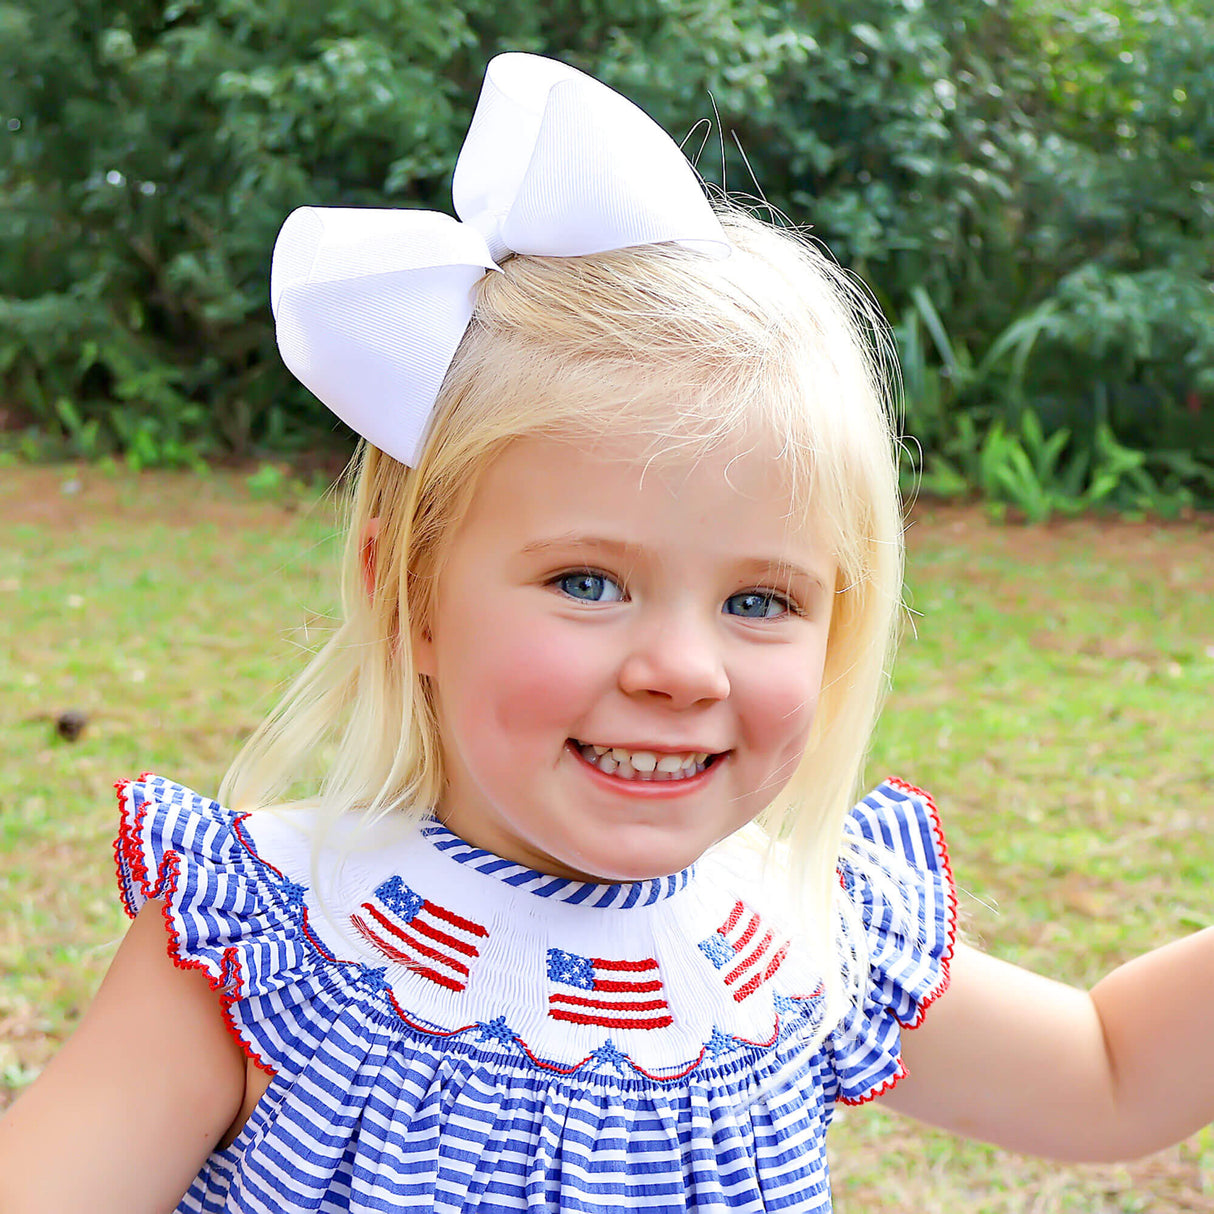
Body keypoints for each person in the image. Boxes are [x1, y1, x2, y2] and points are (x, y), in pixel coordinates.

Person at [0, 52, 1210, 1214]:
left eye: (758, 601)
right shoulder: (271, 950)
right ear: (406, 592)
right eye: (587, 581)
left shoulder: (790, 938)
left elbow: (1106, 1073)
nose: (681, 669)